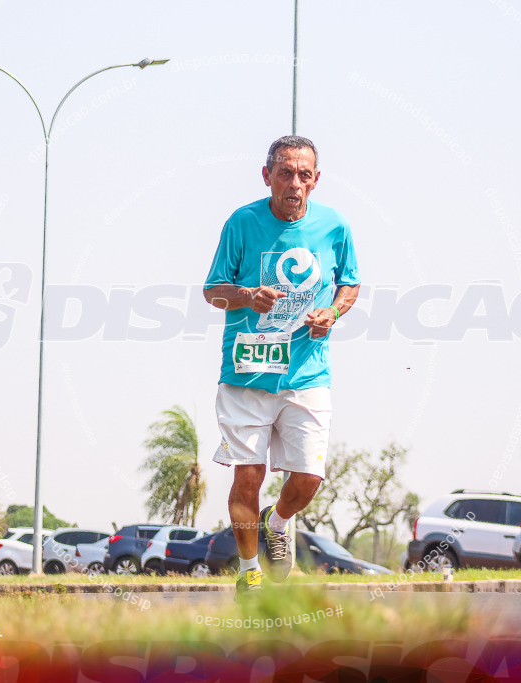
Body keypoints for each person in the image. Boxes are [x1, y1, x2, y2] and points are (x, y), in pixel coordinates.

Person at [203, 136, 360, 599]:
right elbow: (213, 291)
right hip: (247, 372)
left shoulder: (335, 226)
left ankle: (280, 521)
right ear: (267, 174)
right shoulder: (242, 222)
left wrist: (331, 314)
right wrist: (248, 296)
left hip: (307, 372)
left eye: (304, 174)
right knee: (247, 475)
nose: (295, 183)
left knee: (309, 477)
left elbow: (348, 284)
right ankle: (250, 570)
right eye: (285, 172)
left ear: (315, 180)